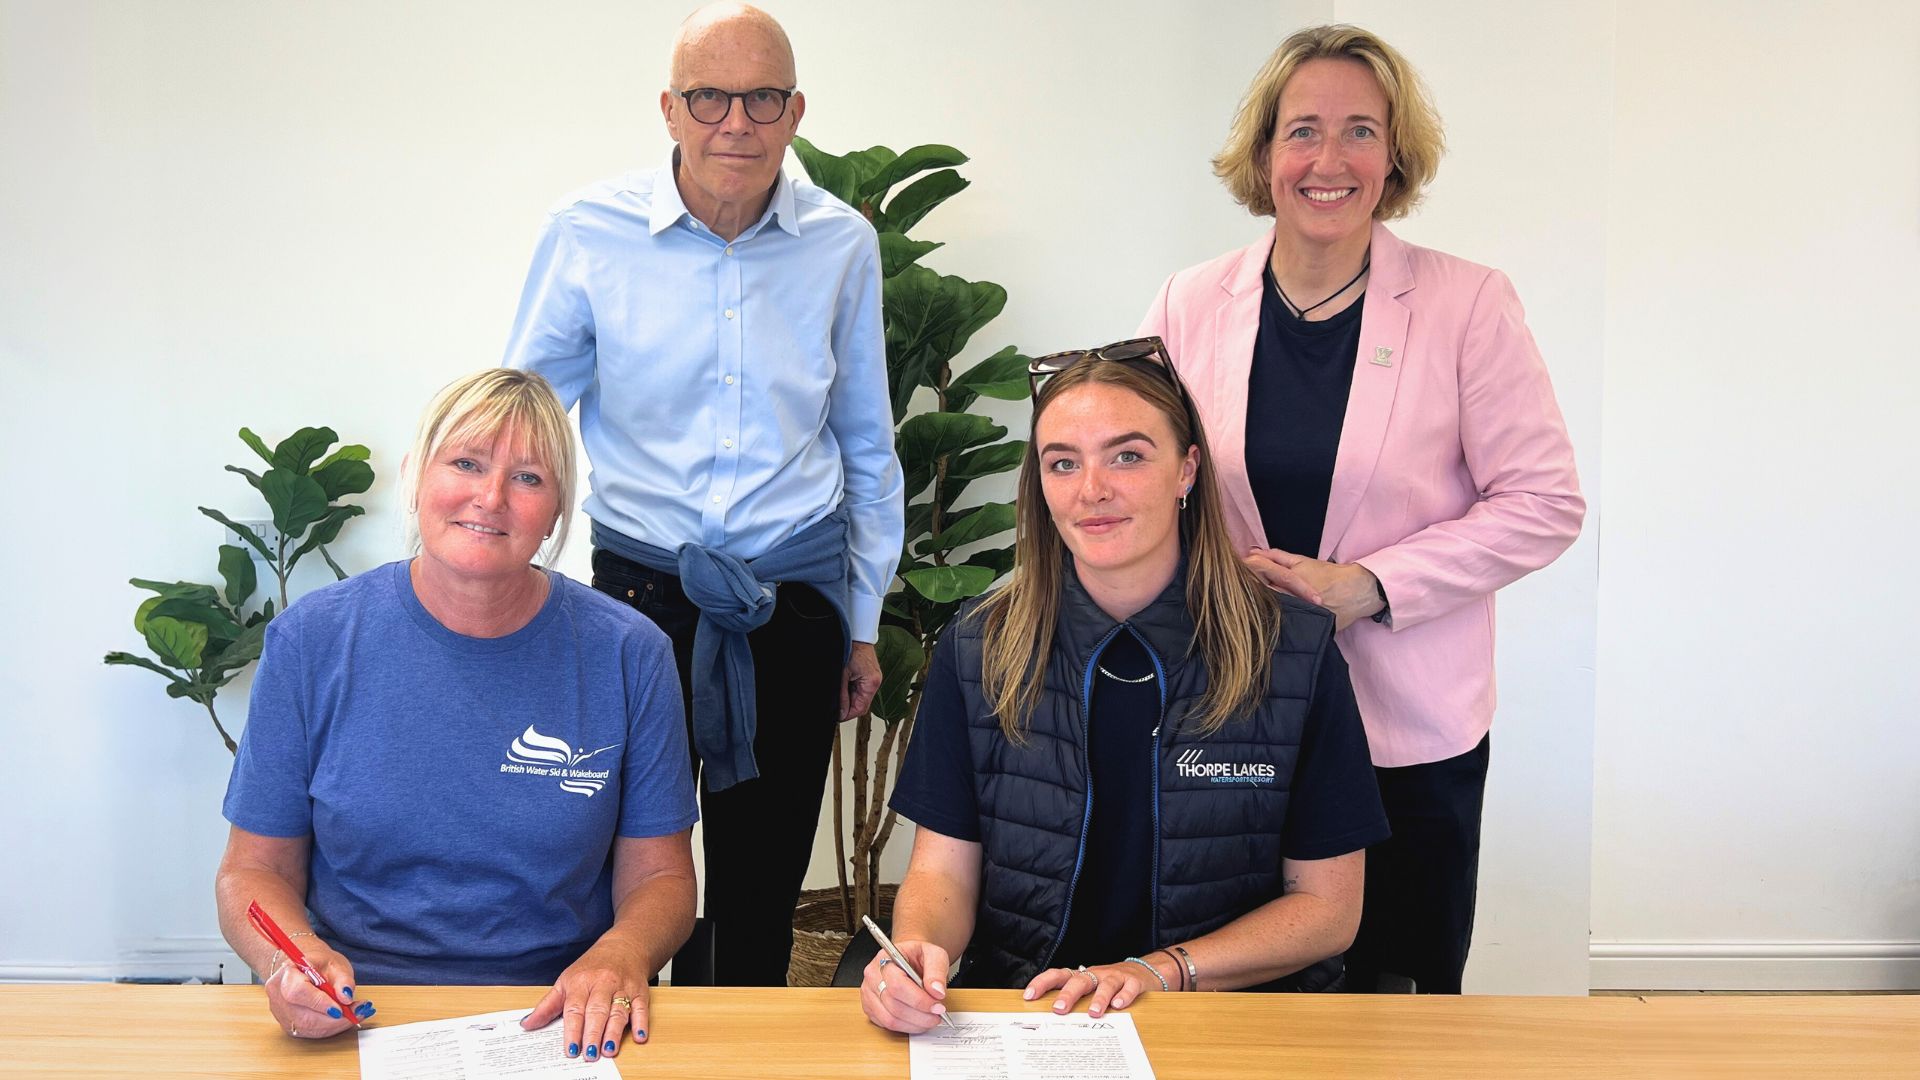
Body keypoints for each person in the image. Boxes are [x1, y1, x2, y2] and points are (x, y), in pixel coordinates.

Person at [1137, 24, 1586, 994]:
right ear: (1263, 153)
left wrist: (1371, 585)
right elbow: (1145, 482)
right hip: (1234, 718)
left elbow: (1545, 501)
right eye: (1302, 131)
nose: (1327, 160)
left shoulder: (1468, 305)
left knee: (1399, 1001)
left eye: (1359, 132)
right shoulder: (1187, 303)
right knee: (1239, 1000)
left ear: (1395, 155)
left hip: (1408, 729)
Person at [501, 2, 904, 987]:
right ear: (670, 110)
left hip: (791, 598)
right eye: (710, 97)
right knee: (621, 873)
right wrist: (511, 596)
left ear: (795, 109)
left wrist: (861, 625)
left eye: (761, 97)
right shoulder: (590, 233)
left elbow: (866, 442)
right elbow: (524, 423)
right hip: (636, 600)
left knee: (761, 890)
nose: (737, 122)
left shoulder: (841, 244)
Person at [860, 339, 1388, 1034]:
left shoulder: (1293, 647)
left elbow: (1326, 910)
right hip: (1032, 1019)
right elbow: (943, 874)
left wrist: (1160, 970)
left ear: (1187, 470)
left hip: (1232, 1023)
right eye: (1063, 463)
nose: (1092, 490)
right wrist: (920, 951)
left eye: (1128, 456)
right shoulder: (978, 644)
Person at [215, 369, 698, 1062]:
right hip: (357, 1015)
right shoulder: (311, 641)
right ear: (416, 476)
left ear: (560, 509)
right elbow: (251, 872)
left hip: (561, 1016)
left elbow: (663, 880)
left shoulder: (629, 652)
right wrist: (292, 961)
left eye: (528, 478)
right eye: (466, 463)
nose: (491, 497)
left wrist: (622, 952)